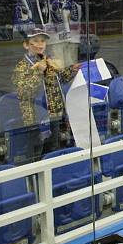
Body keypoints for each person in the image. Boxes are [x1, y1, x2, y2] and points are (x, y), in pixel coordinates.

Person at [11, 28, 78, 159]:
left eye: (42, 41)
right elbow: (24, 91)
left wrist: (71, 70)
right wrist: (38, 72)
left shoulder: (48, 61)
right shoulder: (22, 66)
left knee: (53, 150)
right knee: (36, 152)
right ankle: (34, 177)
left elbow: (60, 79)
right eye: (35, 41)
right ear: (26, 45)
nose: (40, 44)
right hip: (35, 119)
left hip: (53, 115)